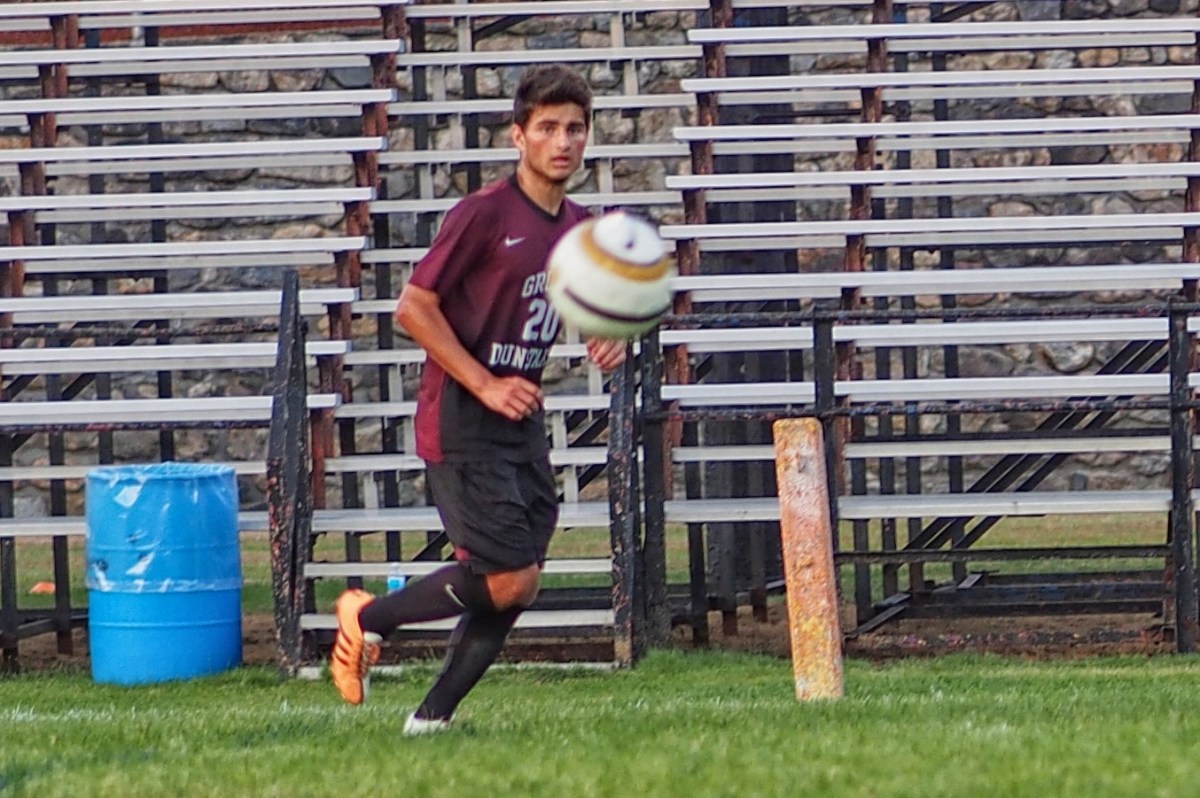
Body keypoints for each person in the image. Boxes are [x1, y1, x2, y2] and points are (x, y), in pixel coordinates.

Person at [329, 64, 626, 734]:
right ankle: (366, 617)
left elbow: (589, 309)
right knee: (511, 577)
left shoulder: (580, 227)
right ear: (518, 136)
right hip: (463, 417)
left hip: (521, 422)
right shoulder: (484, 214)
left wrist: (607, 336)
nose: (563, 141)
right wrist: (485, 381)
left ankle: (430, 720)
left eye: (574, 128)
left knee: (513, 582)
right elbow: (414, 307)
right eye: (547, 128)